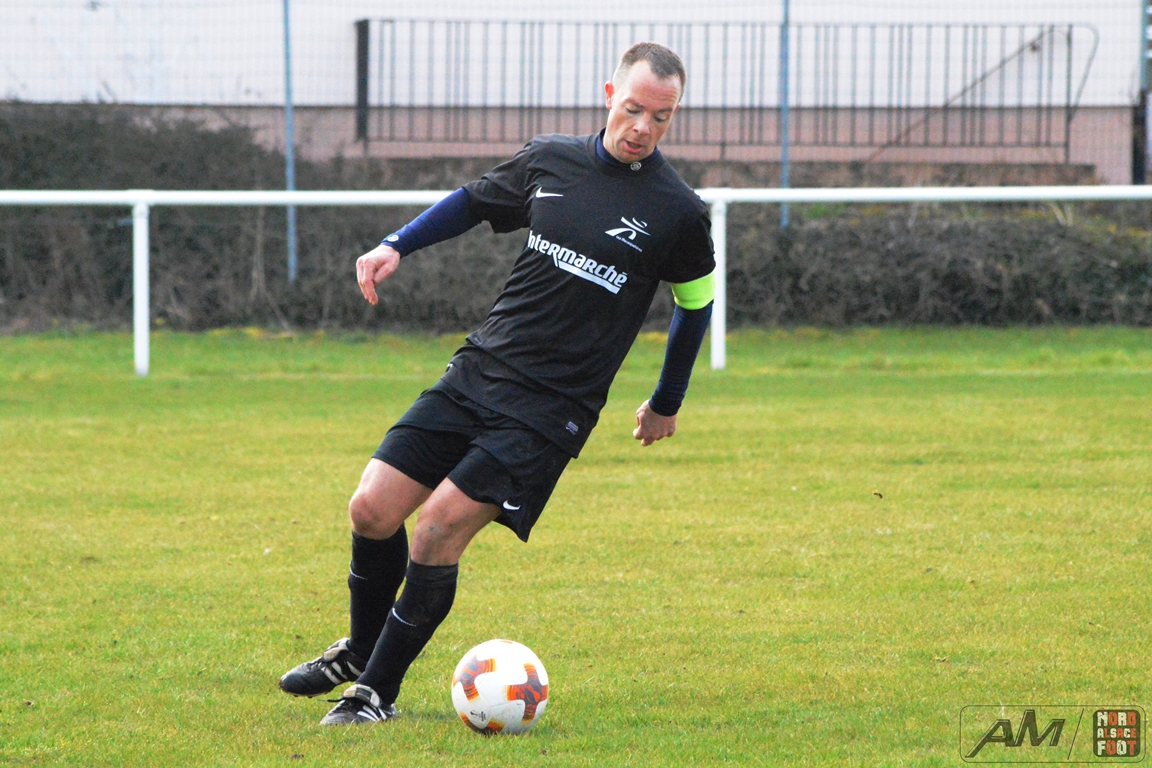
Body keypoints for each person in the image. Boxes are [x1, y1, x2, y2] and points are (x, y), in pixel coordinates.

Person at [278, 41, 717, 725]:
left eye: (662, 117)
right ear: (610, 95)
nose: (643, 128)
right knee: (371, 509)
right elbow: (473, 202)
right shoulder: (550, 160)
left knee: (436, 530)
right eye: (634, 109)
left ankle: (374, 694)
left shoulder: (678, 211)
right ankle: (361, 650)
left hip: (551, 409)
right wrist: (396, 244)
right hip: (479, 370)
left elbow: (696, 304)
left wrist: (667, 401)